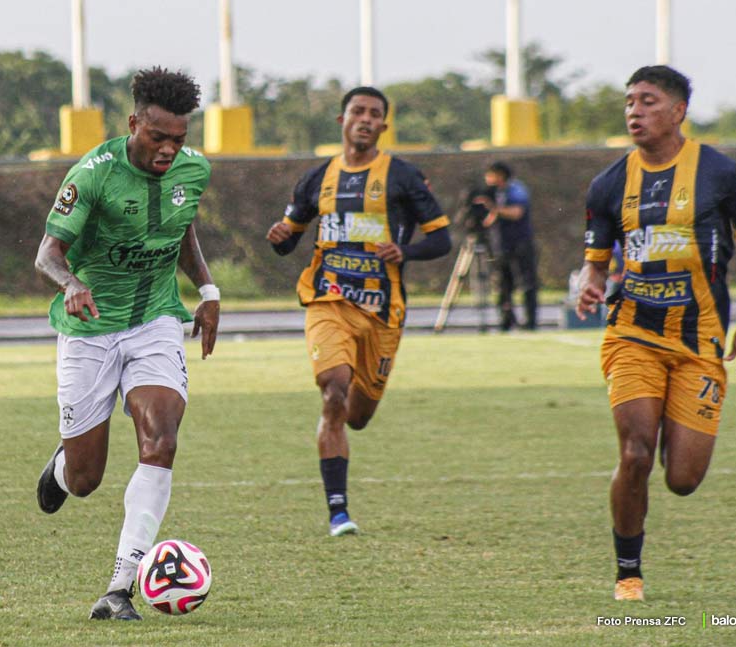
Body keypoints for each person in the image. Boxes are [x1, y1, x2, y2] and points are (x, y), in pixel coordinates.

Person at [575, 65, 736, 602]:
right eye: (629, 102)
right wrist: (590, 285)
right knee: (635, 452)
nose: (634, 111)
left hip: (699, 343)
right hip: (632, 334)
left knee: (682, 479)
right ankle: (627, 575)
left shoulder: (718, 173)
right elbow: (594, 262)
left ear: (679, 110)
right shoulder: (609, 183)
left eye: (648, 101)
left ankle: (674, 427)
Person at [32, 67, 220, 621]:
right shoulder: (93, 174)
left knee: (161, 440)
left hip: (156, 320)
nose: (168, 149)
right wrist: (72, 284)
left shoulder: (194, 170)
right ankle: (63, 467)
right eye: (157, 137)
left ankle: (119, 587)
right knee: (86, 479)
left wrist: (206, 289)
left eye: (178, 140)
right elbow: (47, 253)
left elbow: (181, 229)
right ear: (133, 122)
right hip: (90, 327)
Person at [266, 86, 451, 537]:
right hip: (327, 302)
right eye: (357, 111)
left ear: (384, 125)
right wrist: (281, 237)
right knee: (333, 391)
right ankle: (339, 512)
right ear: (341, 120)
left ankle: (339, 430)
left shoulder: (404, 177)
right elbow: (291, 235)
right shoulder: (316, 180)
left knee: (358, 414)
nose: (365, 119)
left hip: (382, 312)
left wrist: (404, 251)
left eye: (374, 114)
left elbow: (442, 239)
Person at [472, 162, 538, 330]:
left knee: (526, 282)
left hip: (520, 243)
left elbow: (516, 212)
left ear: (499, 175)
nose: (487, 180)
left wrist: (493, 208)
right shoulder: (496, 192)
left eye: (490, 175)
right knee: (503, 284)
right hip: (501, 245)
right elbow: (493, 217)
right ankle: (507, 320)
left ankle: (530, 321)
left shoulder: (516, 189)